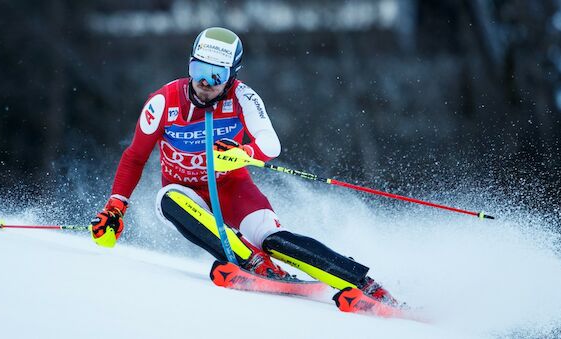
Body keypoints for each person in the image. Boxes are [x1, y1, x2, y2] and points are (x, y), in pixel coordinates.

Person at [90, 27, 397, 305]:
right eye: (198, 70)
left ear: (232, 76)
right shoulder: (163, 102)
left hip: (232, 188)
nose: (204, 84)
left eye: (216, 76)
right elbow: (135, 156)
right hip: (187, 196)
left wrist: (244, 151)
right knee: (167, 199)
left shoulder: (243, 97)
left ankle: (363, 283)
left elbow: (270, 143)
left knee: (272, 238)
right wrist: (116, 208)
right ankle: (254, 263)